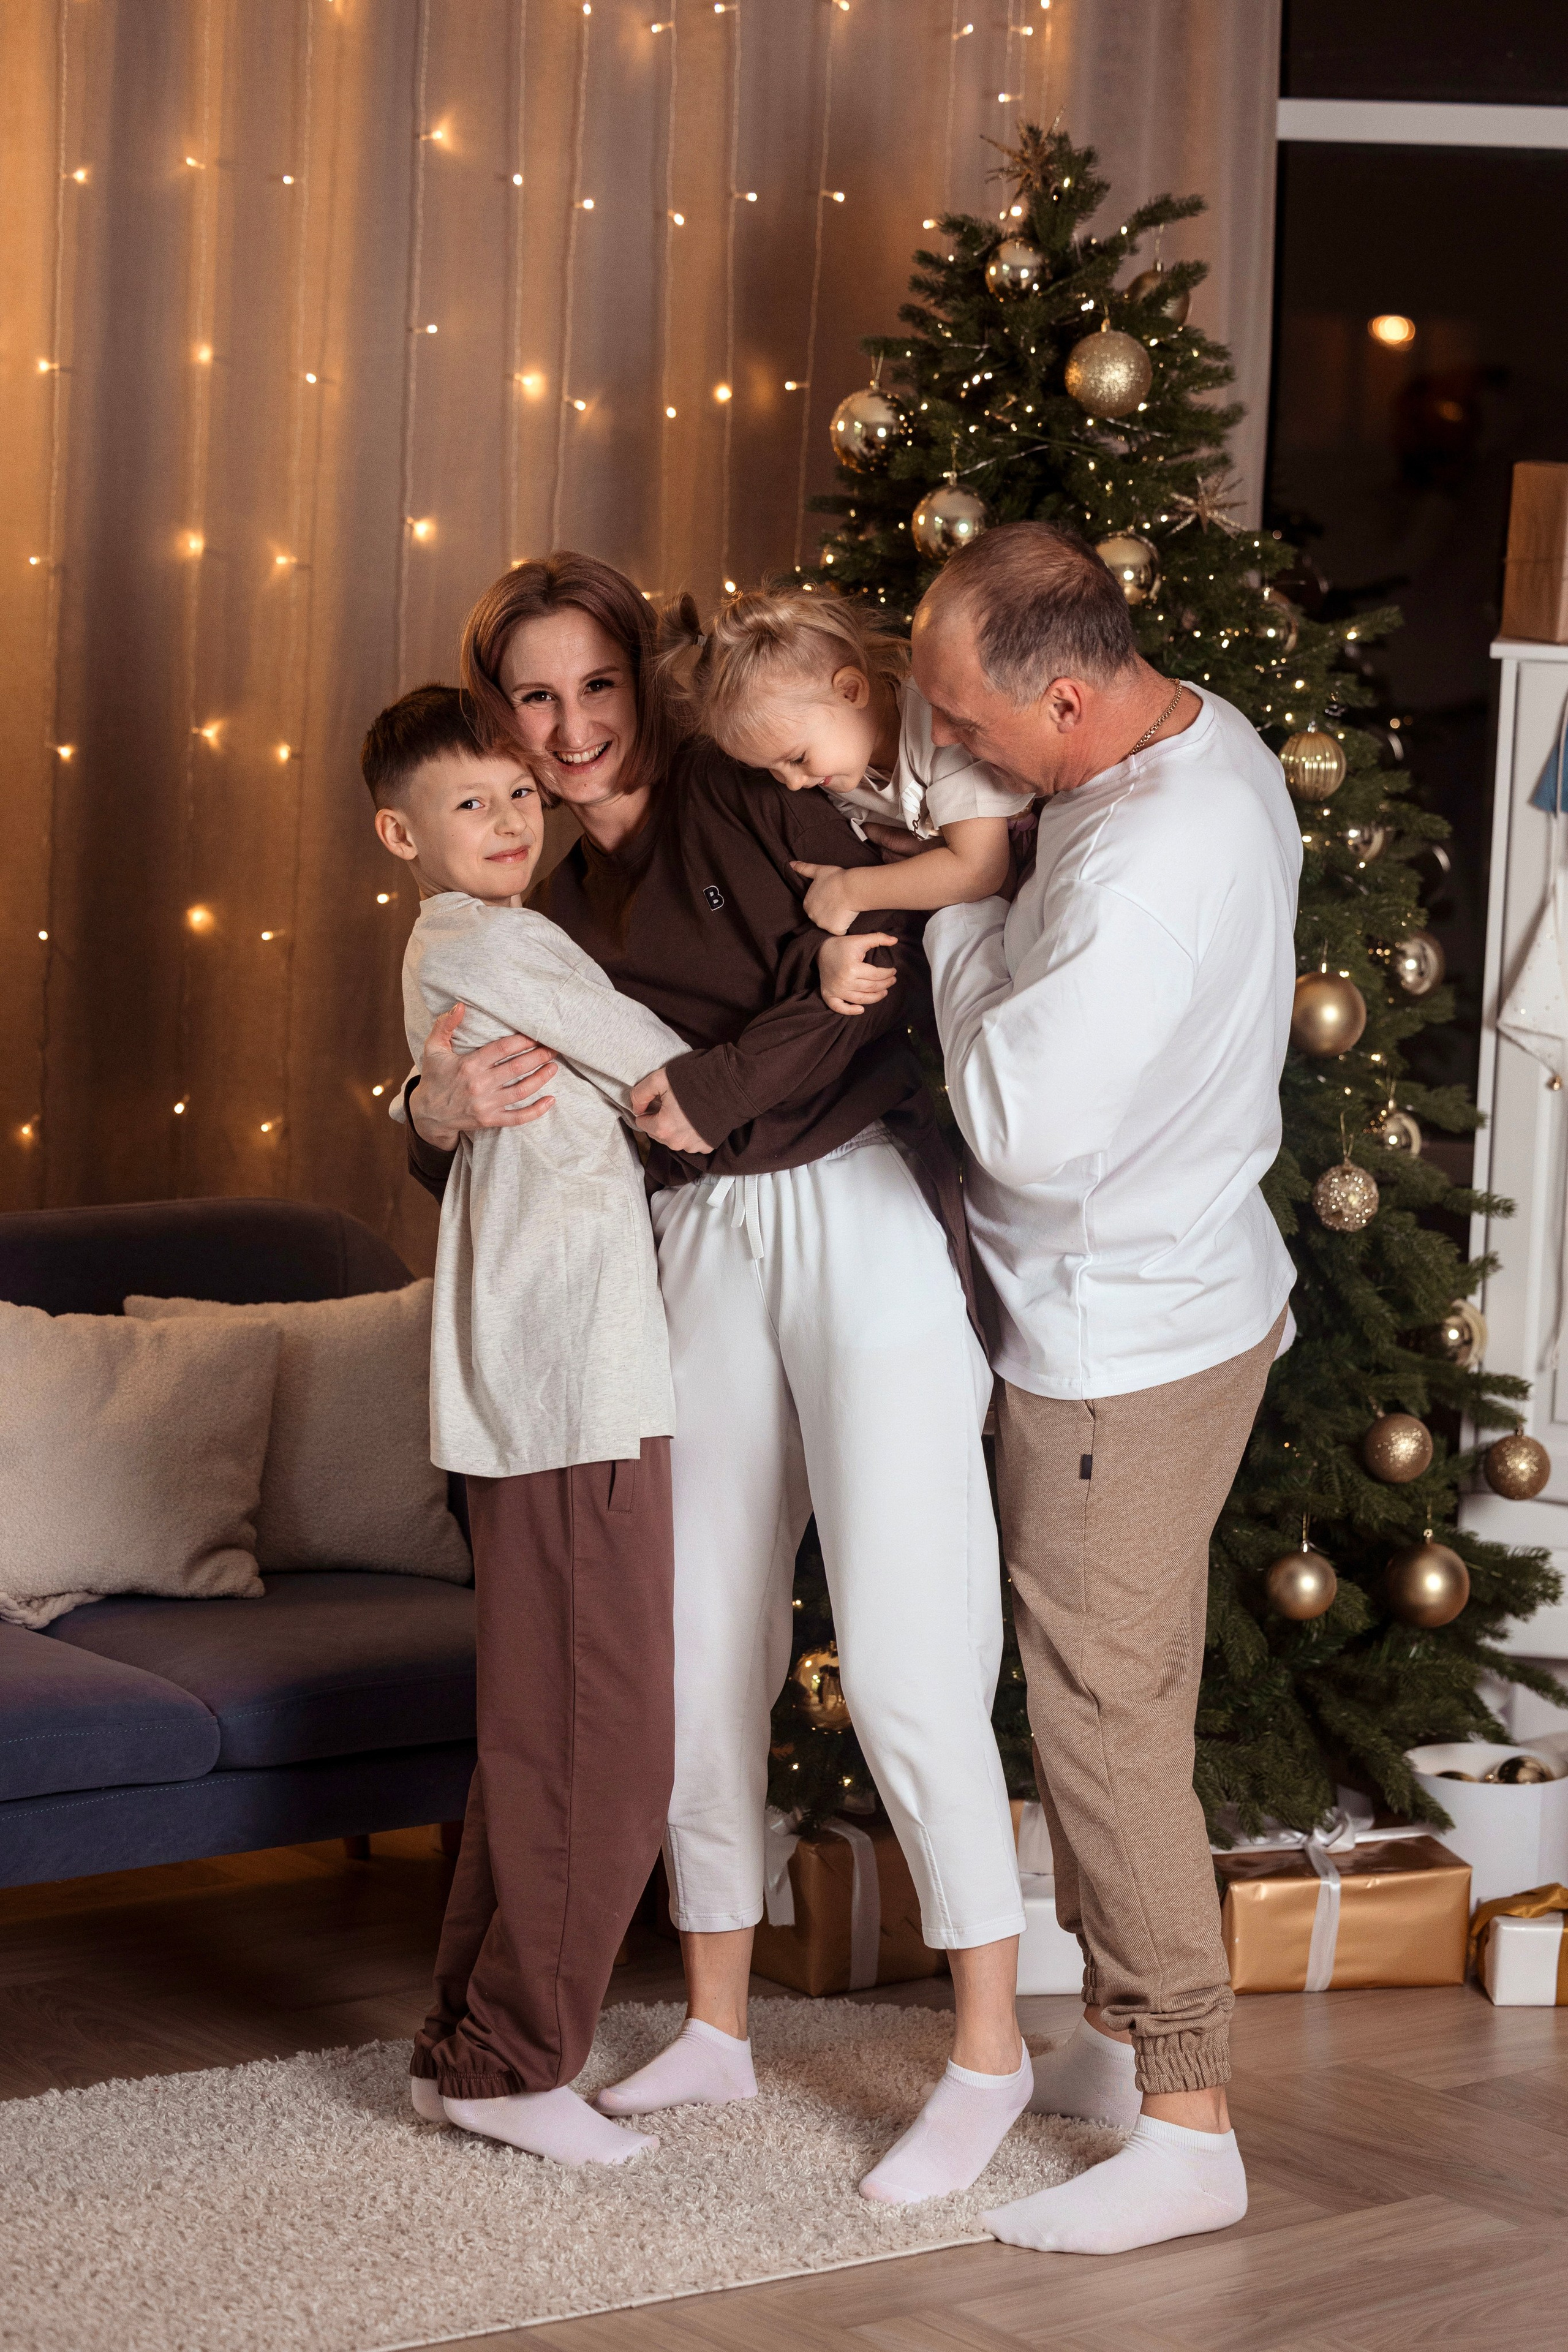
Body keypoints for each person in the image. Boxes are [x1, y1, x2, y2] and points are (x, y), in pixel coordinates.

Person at [404, 551, 1033, 2206]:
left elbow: (868, 983)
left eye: (597, 685)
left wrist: (707, 1084)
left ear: (644, 687)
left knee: (906, 1645)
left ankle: (988, 2051)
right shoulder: (518, 896)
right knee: (692, 1653)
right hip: (678, 1254)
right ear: (499, 720)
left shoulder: (758, 792)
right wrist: (431, 1114)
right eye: (535, 698)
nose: (573, 727)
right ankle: (716, 2025)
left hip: (859, 1210)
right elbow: (503, 1125)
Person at [911, 521, 1300, 2256]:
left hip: (1113, 1346)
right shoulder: (1199, 738)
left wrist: (956, 914)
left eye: (968, 721)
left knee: (1105, 1718)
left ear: (1066, 700)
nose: (953, 753)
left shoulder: (1140, 872)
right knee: (1121, 1690)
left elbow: (1012, 1120)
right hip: (1193, 1296)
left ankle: (1192, 2124)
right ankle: (1119, 2031)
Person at [364, 682, 687, 2168]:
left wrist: (432, 1106)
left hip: (543, 1380)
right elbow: (660, 1065)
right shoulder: (493, 938)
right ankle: (513, 2062)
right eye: (468, 803)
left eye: (515, 793)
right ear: (399, 833)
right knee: (603, 1736)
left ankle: (467, 2046)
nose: (506, 819)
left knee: (540, 1733)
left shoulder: (462, 944)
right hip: (570, 1384)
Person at [657, 586, 1032, 980]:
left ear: (850, 691)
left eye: (797, 758)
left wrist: (851, 890)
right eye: (771, 770)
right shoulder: (840, 773)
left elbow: (982, 870)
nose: (793, 784)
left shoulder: (938, 728)